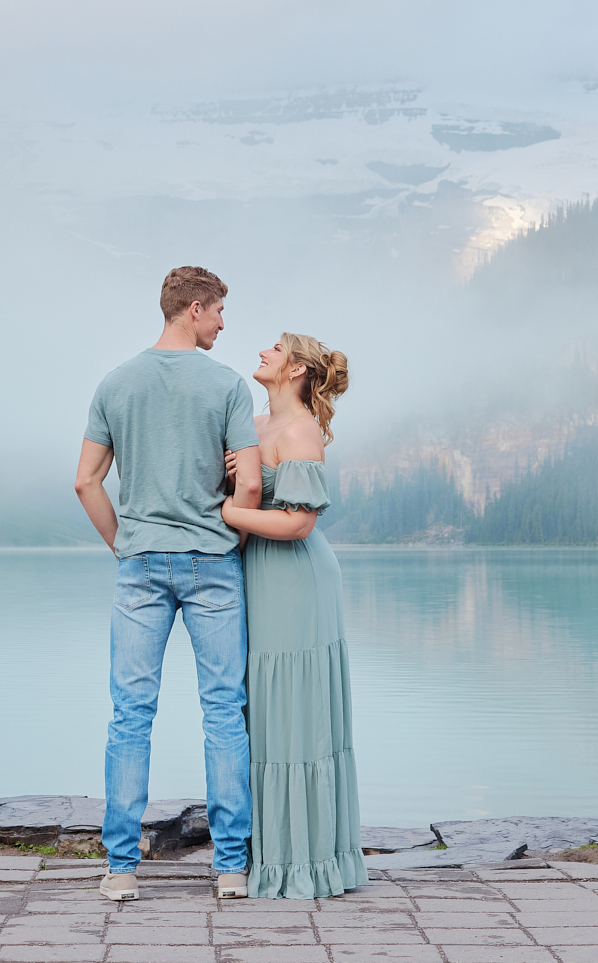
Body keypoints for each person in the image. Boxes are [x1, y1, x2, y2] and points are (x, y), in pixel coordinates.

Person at [75, 265, 262, 904]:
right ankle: (231, 868)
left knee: (130, 716)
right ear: (193, 308)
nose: (220, 324)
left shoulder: (115, 383)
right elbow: (251, 488)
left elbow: (86, 483)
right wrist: (226, 543)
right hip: (213, 563)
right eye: (217, 312)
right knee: (223, 713)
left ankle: (121, 869)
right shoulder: (229, 386)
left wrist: (125, 543)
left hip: (141, 564)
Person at [219, 332, 364, 899]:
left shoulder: (302, 429)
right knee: (264, 706)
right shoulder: (253, 426)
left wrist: (231, 509)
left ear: (298, 368)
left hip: (297, 579)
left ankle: (303, 864)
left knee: (294, 712)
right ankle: (268, 853)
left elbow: (300, 523)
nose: (262, 352)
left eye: (275, 348)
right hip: (258, 574)